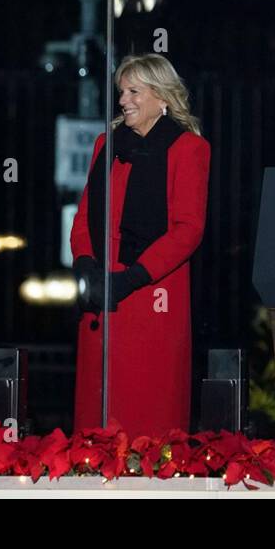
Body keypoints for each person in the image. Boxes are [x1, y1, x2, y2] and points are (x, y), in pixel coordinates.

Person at [71, 54, 210, 435]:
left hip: (152, 293)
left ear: (161, 96)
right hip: (102, 292)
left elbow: (188, 229)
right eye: (121, 91)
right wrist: (85, 263)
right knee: (98, 416)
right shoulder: (107, 145)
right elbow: (84, 217)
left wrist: (133, 278)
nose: (123, 100)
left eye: (134, 91)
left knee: (149, 415)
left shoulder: (188, 149)